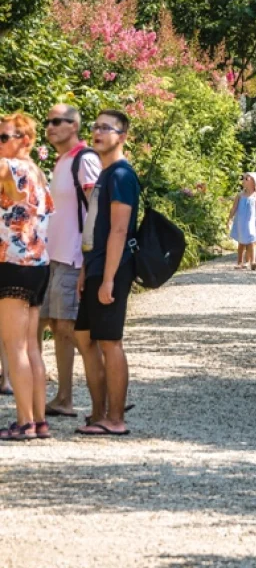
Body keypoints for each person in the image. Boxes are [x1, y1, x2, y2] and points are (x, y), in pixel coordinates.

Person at [74, 110, 139, 437]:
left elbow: (118, 230)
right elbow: (94, 229)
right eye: (95, 127)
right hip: (96, 267)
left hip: (112, 269)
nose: (97, 132)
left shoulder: (121, 176)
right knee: (85, 338)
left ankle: (115, 418)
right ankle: (99, 411)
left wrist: (109, 278)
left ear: (122, 136)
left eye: (106, 128)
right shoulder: (105, 173)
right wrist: (87, 270)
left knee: (110, 342)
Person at [39, 104, 101, 418]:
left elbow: (96, 210)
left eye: (57, 121)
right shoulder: (61, 161)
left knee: (73, 329)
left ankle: (106, 396)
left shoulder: (84, 159)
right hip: (54, 256)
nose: (50, 126)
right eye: (48, 122)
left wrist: (88, 260)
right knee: (57, 326)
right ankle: (64, 397)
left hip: (74, 257)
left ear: (74, 125)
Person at [0, 112, 54, 441]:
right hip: (38, 264)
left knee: (15, 346)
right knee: (32, 347)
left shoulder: (9, 167)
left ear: (26, 140)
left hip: (13, 264)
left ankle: (24, 423)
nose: (2, 143)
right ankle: (39, 420)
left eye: (7, 137)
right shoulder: (37, 171)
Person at [228, 172, 256, 271]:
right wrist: (229, 218)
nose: (243, 180)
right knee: (241, 243)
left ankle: (253, 262)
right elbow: (234, 208)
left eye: (247, 179)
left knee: (252, 241)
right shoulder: (239, 195)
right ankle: (239, 262)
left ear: (254, 183)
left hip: (251, 223)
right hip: (241, 222)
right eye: (244, 178)